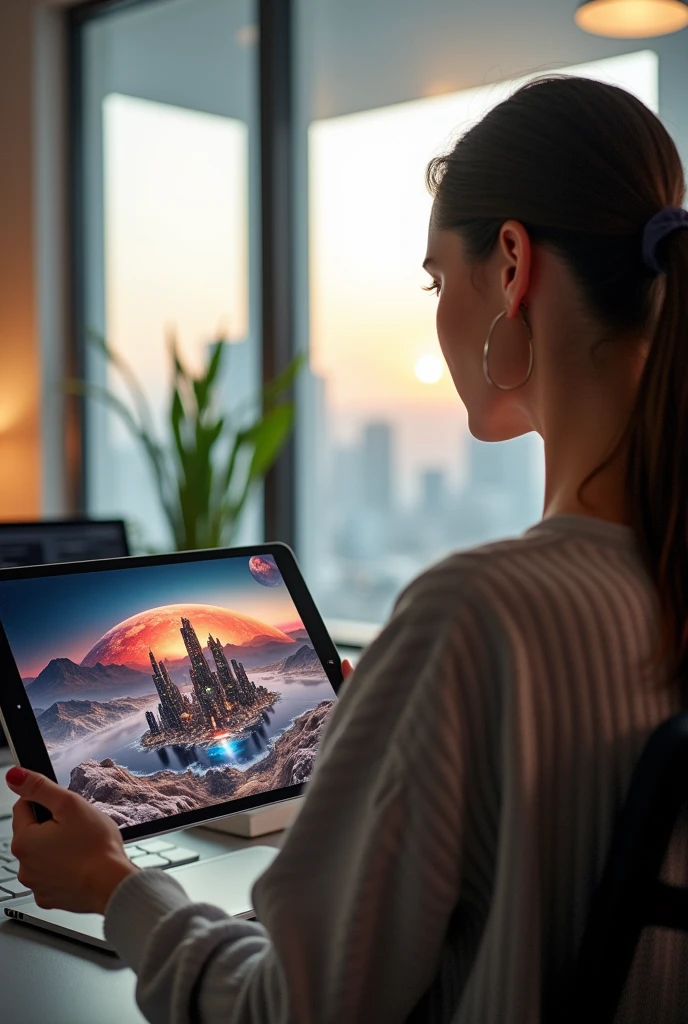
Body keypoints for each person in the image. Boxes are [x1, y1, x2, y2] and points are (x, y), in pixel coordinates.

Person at [6, 75, 688, 1023]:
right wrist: (408, 730)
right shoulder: (645, 589)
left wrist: (114, 885)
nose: (438, 313)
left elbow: (280, 1010)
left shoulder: (482, 613)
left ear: (513, 266)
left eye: (436, 280)